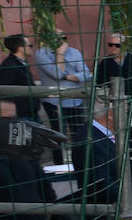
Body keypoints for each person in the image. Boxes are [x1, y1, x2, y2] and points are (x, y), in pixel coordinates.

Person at [34, 35, 91, 166]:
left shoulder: (74, 52)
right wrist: (60, 55)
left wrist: (69, 77)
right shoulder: (42, 54)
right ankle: (60, 166)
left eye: (64, 37)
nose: (61, 40)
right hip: (54, 102)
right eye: (57, 38)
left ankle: (81, 164)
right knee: (57, 136)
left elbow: (86, 74)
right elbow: (58, 74)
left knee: (79, 133)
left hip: (75, 100)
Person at [0, 34, 36, 120]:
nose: (32, 48)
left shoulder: (20, 63)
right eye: (30, 45)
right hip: (21, 114)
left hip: (30, 112)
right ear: (20, 48)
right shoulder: (9, 66)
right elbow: (5, 93)